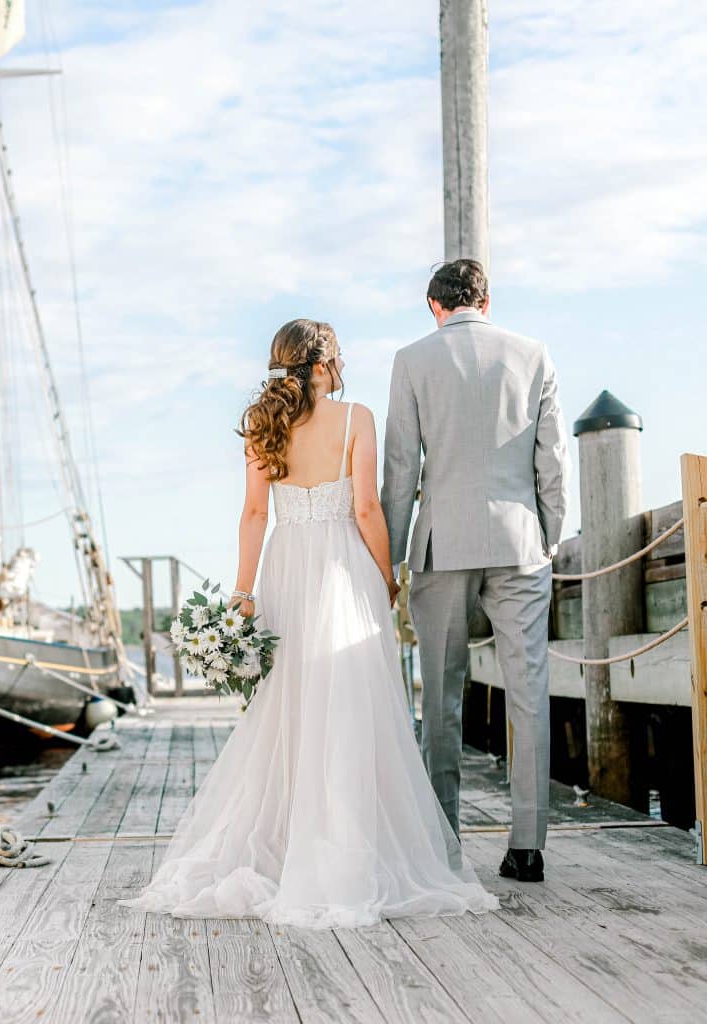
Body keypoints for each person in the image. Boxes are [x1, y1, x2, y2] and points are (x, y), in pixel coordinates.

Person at [119, 318, 498, 927]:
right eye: (340, 356)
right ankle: (343, 847)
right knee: (348, 704)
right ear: (323, 365)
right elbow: (367, 507)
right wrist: (388, 573)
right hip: (342, 568)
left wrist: (243, 594)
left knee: (291, 705)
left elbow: (252, 514)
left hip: (286, 568)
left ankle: (291, 843)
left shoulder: (263, 424)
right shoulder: (356, 419)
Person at [382, 259, 571, 883]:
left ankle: (443, 846)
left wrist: (391, 555)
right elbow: (553, 462)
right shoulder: (533, 354)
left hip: (442, 543)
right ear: (485, 301)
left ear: (434, 306)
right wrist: (549, 536)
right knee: (529, 693)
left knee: (440, 698)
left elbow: (402, 469)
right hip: (519, 542)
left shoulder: (412, 360)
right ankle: (527, 848)